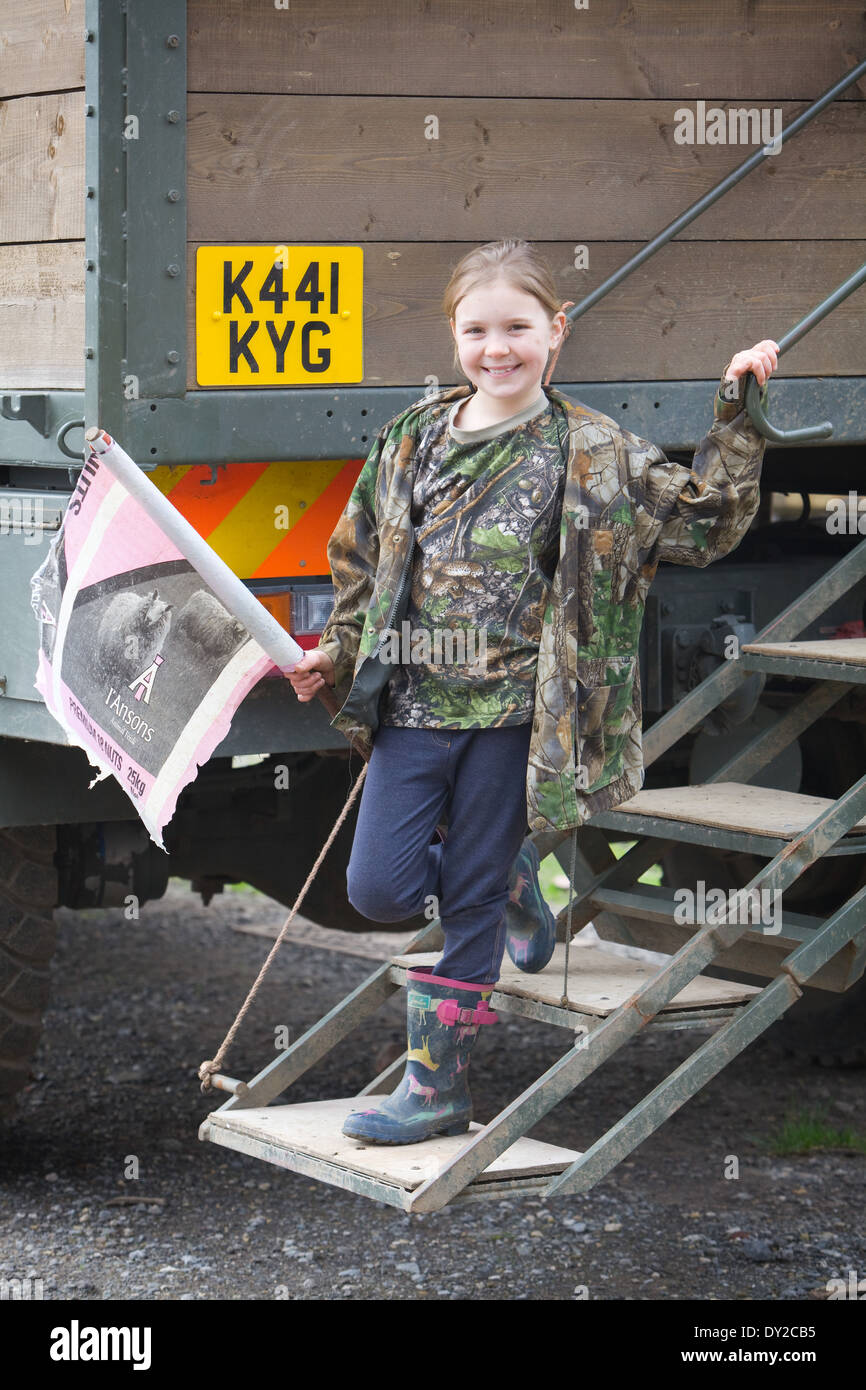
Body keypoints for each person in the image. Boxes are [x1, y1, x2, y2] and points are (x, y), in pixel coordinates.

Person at [287, 239, 778, 1145]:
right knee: (380, 890)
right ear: (454, 337)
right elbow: (358, 563)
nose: (497, 348)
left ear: (556, 331)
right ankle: (509, 879)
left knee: (465, 903)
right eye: (477, 330)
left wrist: (738, 407)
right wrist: (338, 650)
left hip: (521, 718)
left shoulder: (594, 451)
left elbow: (707, 525)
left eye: (517, 327)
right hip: (413, 710)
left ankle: (438, 1086)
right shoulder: (414, 440)